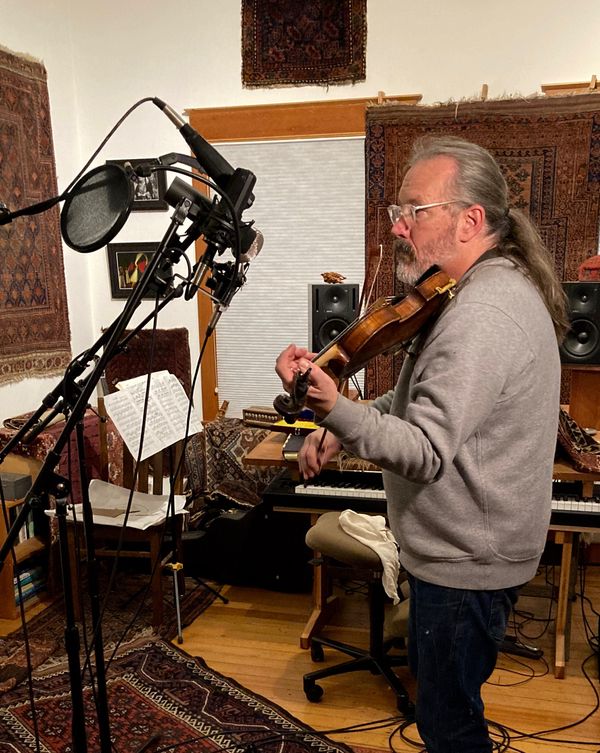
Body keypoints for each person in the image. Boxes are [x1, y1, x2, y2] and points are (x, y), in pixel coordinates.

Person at [275, 136, 569, 753]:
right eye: (397, 211)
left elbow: (427, 451)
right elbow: (414, 403)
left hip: (466, 562)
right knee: (447, 714)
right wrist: (341, 425)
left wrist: (334, 407)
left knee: (449, 727)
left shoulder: (483, 313)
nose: (398, 227)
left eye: (415, 210)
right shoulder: (466, 292)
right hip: (462, 552)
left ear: (470, 220)